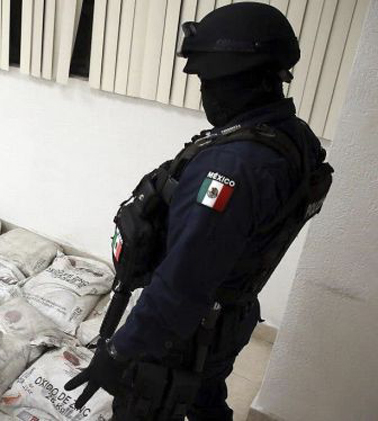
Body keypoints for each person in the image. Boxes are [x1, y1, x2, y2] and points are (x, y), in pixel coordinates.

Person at [65, 3, 332, 420]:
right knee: (203, 396)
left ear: (242, 79)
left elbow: (183, 283)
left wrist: (119, 353)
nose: (204, 92)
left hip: (184, 331)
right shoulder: (295, 137)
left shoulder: (233, 167)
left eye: (209, 81)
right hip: (230, 315)